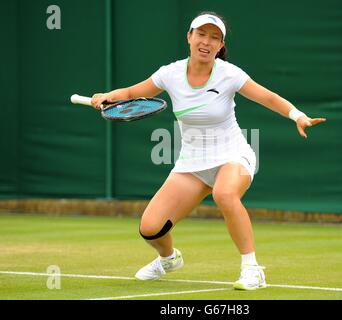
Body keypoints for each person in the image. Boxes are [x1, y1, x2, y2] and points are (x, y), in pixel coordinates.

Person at [91, 12, 326, 290]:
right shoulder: (170, 74)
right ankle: (168, 259)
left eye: (214, 37)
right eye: (201, 34)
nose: (206, 41)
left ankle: (252, 269)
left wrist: (296, 115)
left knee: (225, 194)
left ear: (220, 46)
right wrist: (107, 96)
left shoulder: (230, 74)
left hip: (233, 155)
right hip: (192, 163)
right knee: (150, 229)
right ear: (189, 38)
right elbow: (131, 93)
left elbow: (268, 97)